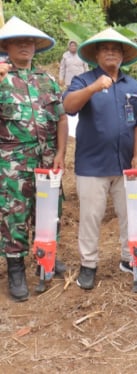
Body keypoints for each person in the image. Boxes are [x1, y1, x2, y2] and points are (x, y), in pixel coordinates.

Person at [63, 28, 137, 290]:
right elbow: (68, 106)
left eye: (116, 48)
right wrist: (93, 87)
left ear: (123, 55)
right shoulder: (82, 80)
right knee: (91, 216)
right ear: (96, 54)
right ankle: (88, 264)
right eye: (105, 48)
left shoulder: (132, 86)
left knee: (131, 215)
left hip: (125, 165)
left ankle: (129, 259)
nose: (111, 52)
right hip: (92, 165)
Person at [0, 17, 68, 301]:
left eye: (29, 42)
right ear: (7, 46)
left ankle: (46, 257)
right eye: (18, 41)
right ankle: (15, 268)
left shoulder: (47, 80)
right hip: (13, 162)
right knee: (14, 215)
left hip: (48, 159)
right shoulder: (1, 78)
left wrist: (62, 152)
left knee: (49, 212)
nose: (25, 46)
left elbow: (62, 118)